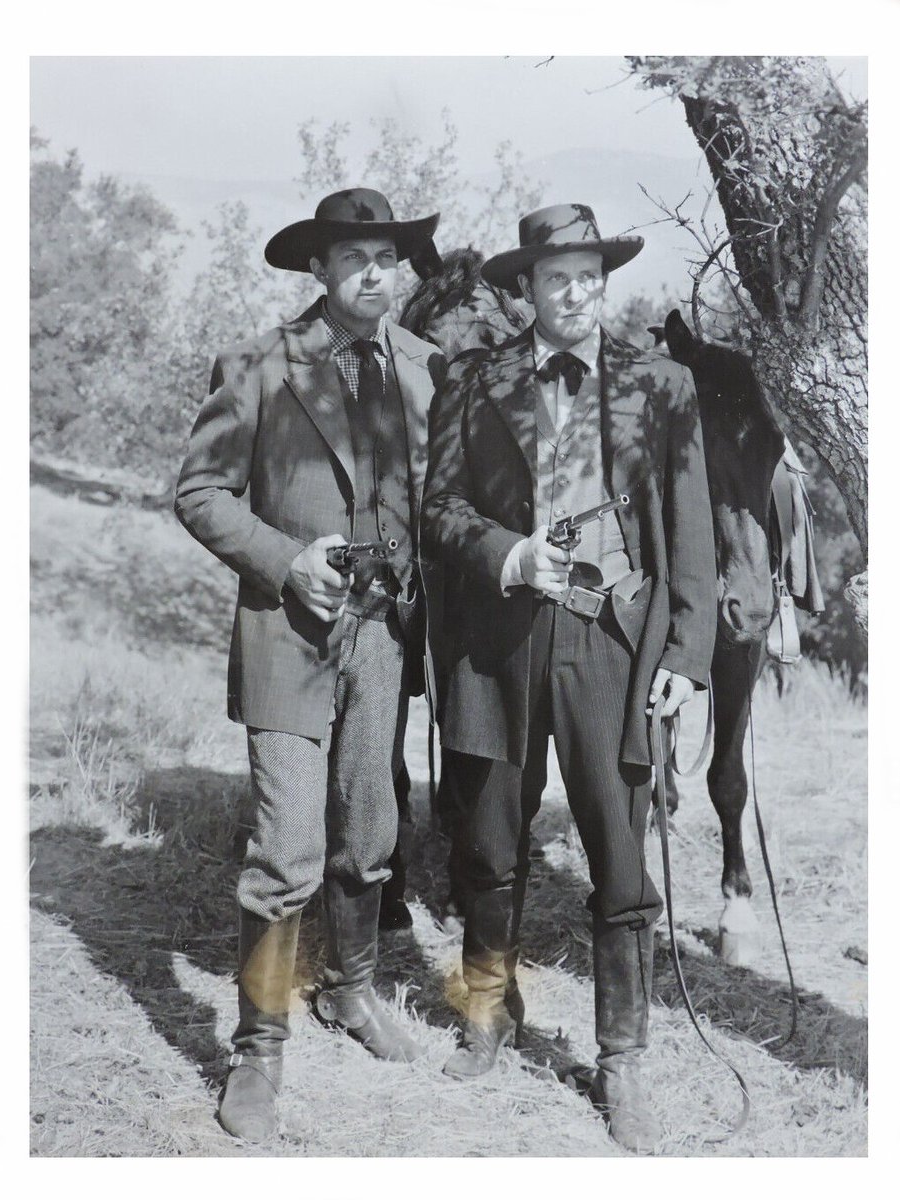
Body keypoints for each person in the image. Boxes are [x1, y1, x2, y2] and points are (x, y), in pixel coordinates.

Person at [421, 203, 717, 1155]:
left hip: (612, 646)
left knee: (618, 854)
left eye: (590, 274)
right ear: (526, 289)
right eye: (556, 278)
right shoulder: (472, 380)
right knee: (488, 843)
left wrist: (683, 657)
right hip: (495, 644)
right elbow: (437, 510)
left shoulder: (659, 385)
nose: (576, 291)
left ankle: (620, 1057)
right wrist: (507, 554)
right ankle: (487, 1012)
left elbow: (692, 528)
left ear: (605, 280)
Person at [175, 188, 445, 1142]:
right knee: (286, 852)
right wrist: (286, 560)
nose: (377, 273)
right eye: (356, 258)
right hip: (287, 638)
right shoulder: (255, 366)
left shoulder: (427, 370)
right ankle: (258, 1050)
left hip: (382, 641)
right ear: (320, 271)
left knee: (369, 835)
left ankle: (352, 991)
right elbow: (200, 492)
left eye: (389, 257)